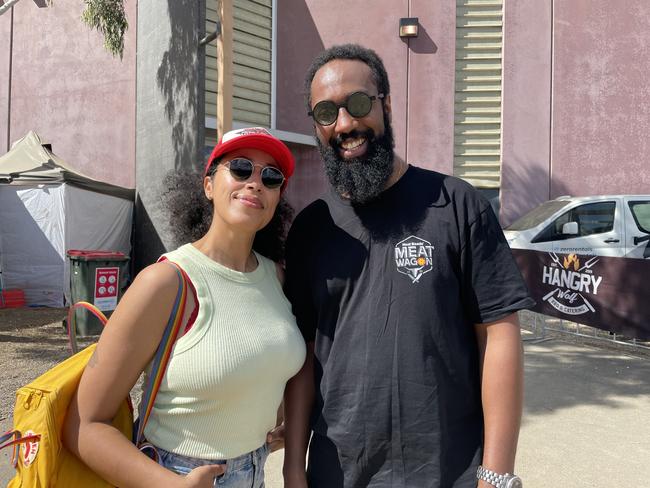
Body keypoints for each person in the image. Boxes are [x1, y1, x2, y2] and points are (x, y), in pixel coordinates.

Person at [282, 44, 535, 488]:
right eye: (326, 113)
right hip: (336, 472)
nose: (344, 124)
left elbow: (499, 332)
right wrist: (293, 470)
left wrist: (496, 474)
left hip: (448, 470)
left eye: (358, 104)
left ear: (387, 104)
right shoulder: (311, 227)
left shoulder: (458, 205)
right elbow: (302, 357)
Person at [63, 127, 306, 488]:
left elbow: (277, 365)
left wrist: (274, 423)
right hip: (176, 474)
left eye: (271, 177)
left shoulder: (279, 280)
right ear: (208, 185)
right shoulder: (166, 282)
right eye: (240, 168)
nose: (255, 182)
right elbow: (83, 425)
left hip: (255, 471)